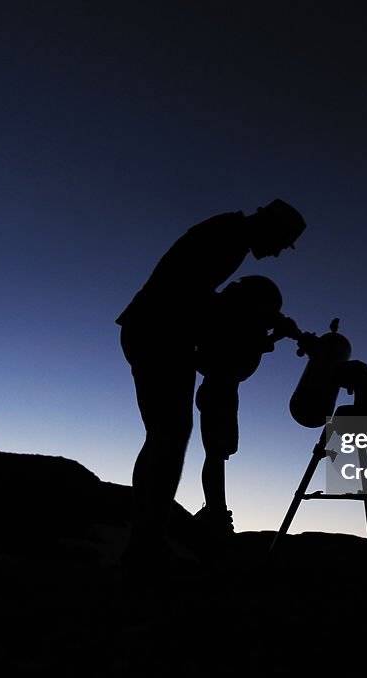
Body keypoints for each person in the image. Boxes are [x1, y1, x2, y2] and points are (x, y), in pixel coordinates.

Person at [117, 199, 305, 563]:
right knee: (168, 437)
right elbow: (192, 297)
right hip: (159, 333)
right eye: (282, 243)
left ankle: (146, 537)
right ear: (273, 227)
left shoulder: (229, 236)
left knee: (165, 436)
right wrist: (258, 320)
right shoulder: (227, 238)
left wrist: (257, 324)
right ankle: (146, 545)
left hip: (158, 332)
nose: (279, 253)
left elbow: (205, 304)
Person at [193, 276, 301, 537]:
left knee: (219, 454)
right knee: (217, 454)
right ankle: (215, 511)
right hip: (220, 389)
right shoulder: (231, 320)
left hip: (225, 390)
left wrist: (277, 334)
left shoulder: (239, 321)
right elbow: (238, 347)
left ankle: (216, 509)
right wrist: (278, 333)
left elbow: (247, 345)